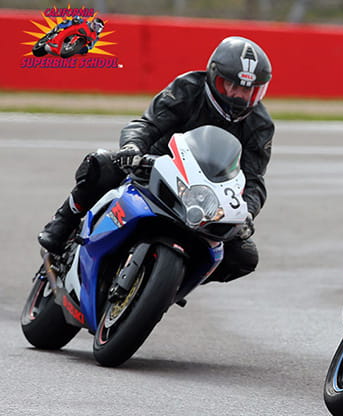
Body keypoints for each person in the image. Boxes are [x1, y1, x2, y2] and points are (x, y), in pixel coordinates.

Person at [38, 36, 274, 283]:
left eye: (248, 90)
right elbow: (147, 125)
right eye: (230, 85)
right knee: (102, 164)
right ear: (214, 77)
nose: (238, 96)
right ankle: (63, 223)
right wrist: (132, 148)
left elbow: (254, 180)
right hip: (157, 168)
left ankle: (172, 280)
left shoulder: (260, 125)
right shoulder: (188, 87)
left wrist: (247, 213)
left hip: (208, 197)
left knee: (243, 256)